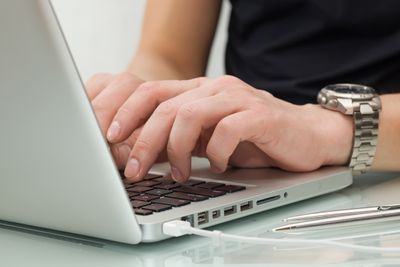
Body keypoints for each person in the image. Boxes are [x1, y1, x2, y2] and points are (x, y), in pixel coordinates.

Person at [85, 0, 400, 182]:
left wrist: (325, 130)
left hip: (382, 178)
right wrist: (135, 110)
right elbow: (167, 56)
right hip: (237, 169)